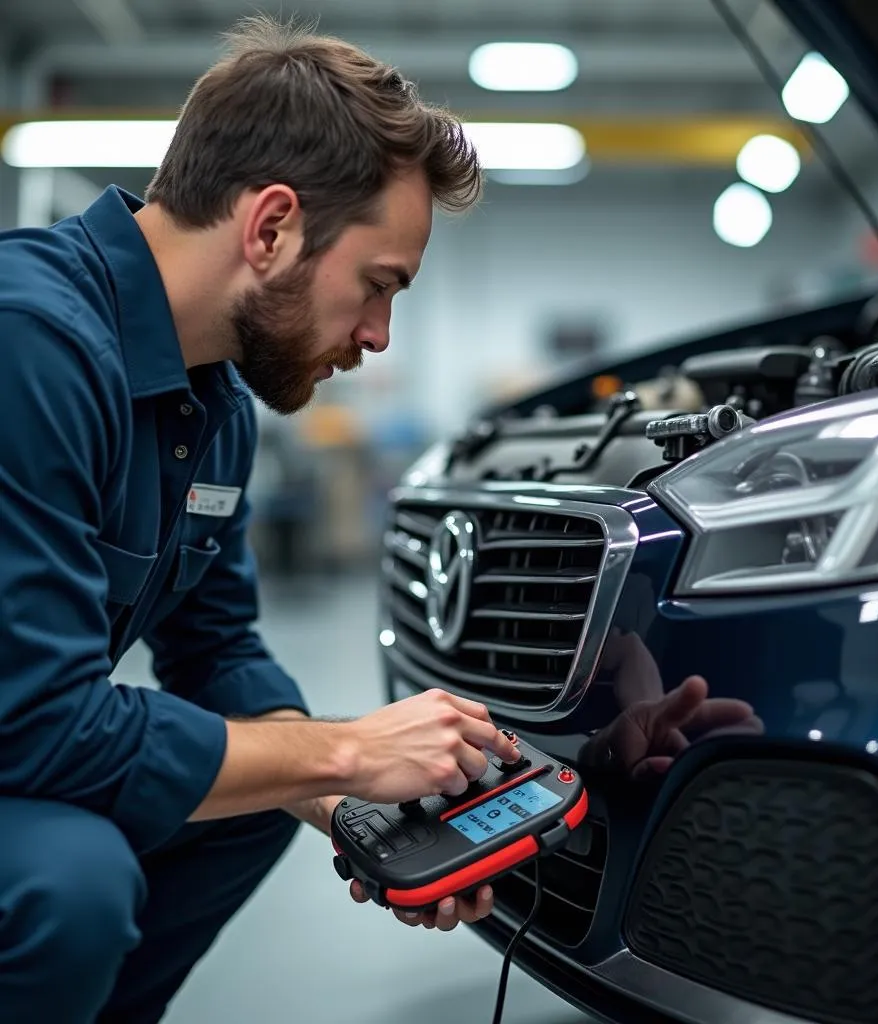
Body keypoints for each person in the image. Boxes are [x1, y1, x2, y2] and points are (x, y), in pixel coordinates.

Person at [0, 14, 521, 1024]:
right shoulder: (31, 347)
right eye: (378, 286)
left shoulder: (217, 406)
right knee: (70, 881)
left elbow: (218, 646)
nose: (377, 335)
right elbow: (35, 725)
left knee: (253, 809)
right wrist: (343, 750)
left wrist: (359, 812)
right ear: (272, 226)